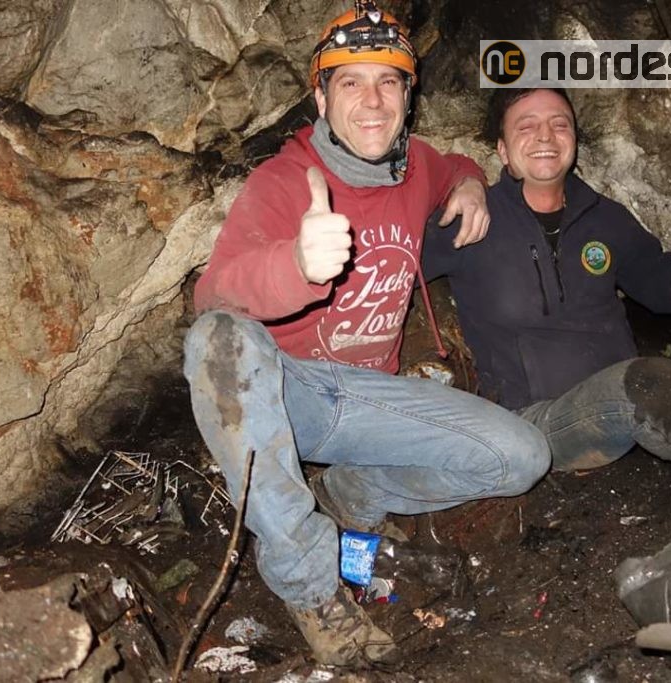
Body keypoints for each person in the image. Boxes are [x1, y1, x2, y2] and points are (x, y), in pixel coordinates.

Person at [182, 4, 551, 667]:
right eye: (350, 82)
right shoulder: (281, 182)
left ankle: (352, 494)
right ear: (321, 98)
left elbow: (452, 165)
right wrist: (295, 265)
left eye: (389, 82)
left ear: (409, 97)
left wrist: (470, 184)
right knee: (216, 339)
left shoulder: (416, 165)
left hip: (367, 399)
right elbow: (212, 299)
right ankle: (309, 583)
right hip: (290, 393)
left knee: (523, 456)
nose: (373, 101)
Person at [423, 87, 671, 508]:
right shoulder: (472, 220)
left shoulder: (605, 217)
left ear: (574, 141)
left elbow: (662, 284)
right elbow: (397, 263)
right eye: (527, 126)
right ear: (503, 150)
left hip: (635, 398)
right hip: (537, 422)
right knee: (646, 381)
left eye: (559, 124)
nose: (545, 135)